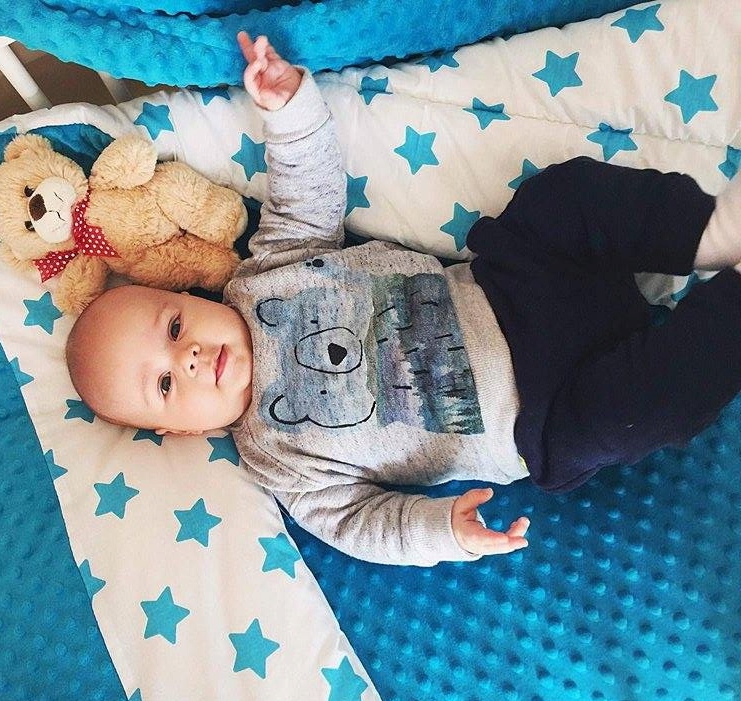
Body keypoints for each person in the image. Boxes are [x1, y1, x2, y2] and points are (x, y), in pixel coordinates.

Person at [65, 32, 741, 566]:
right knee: (632, 416)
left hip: (518, 287)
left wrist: (289, 109)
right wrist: (443, 531)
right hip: (547, 413)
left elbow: (306, 194)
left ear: (188, 294)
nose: (187, 357)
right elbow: (363, 526)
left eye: (174, 327)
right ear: (183, 432)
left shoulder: (265, 272)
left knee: (560, 200)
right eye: (164, 384)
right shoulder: (279, 461)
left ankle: (705, 235)